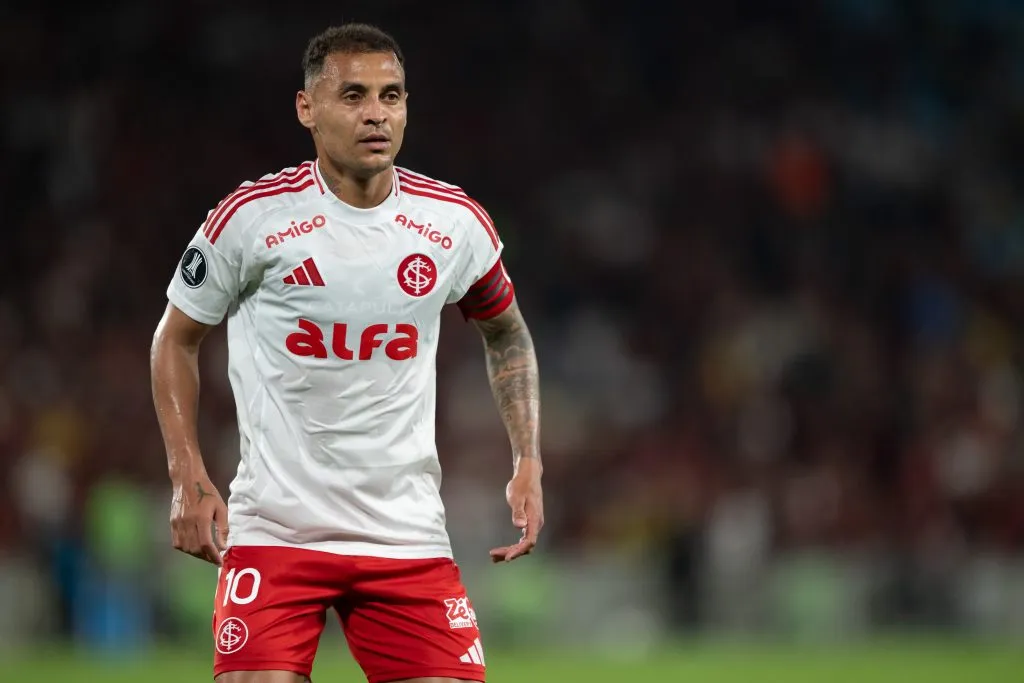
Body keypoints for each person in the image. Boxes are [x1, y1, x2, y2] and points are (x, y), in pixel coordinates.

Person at [150, 22, 543, 683]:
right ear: (307, 108)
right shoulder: (252, 218)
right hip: (277, 531)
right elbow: (174, 338)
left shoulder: (452, 223)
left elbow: (506, 331)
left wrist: (527, 458)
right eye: (354, 95)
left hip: (404, 535)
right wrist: (187, 475)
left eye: (391, 96)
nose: (376, 114)